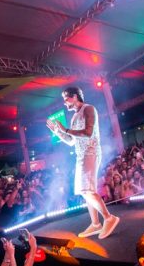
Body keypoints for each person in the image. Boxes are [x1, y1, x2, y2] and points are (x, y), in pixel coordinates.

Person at [47, 86, 120, 239]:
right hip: (81, 155)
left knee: (87, 189)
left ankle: (109, 218)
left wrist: (66, 130)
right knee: (84, 191)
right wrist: (58, 132)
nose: (65, 103)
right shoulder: (74, 117)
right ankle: (95, 224)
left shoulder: (89, 109)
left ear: (75, 96)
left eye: (66, 99)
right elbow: (71, 141)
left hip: (91, 152)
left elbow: (88, 132)